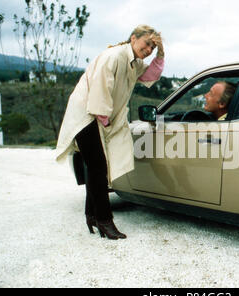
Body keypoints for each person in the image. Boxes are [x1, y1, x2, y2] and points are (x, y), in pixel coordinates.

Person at [55, 25, 165, 240]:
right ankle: (105, 220)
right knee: (98, 167)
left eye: (153, 46)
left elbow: (151, 75)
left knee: (97, 168)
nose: (149, 49)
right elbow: (100, 88)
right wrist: (104, 121)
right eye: (147, 44)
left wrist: (161, 53)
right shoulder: (113, 56)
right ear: (133, 38)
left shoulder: (134, 62)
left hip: (101, 117)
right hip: (87, 115)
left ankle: (92, 215)